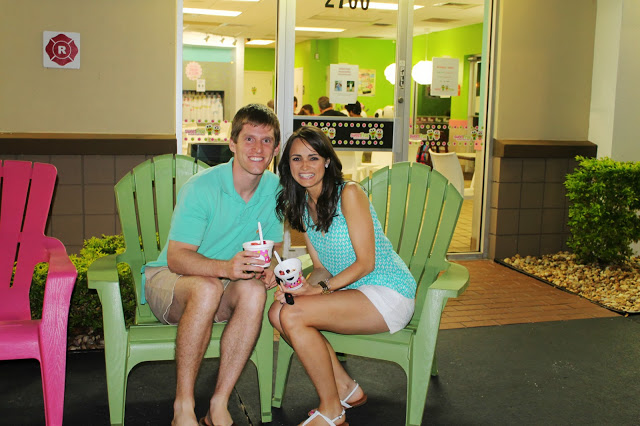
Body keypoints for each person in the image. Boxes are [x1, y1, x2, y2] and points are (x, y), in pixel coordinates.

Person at [143, 103, 283, 426]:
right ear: (232, 143)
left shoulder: (274, 190)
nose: (258, 149)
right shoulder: (202, 188)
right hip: (170, 280)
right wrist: (225, 269)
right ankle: (183, 406)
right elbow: (177, 257)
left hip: (222, 286)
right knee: (206, 289)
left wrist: (271, 269)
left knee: (253, 292)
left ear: (276, 149)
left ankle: (219, 404)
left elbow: (274, 246)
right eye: (249, 139)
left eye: (266, 140)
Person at [269, 126, 417, 426]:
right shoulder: (304, 205)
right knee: (277, 312)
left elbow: (366, 263)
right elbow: (321, 267)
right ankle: (347, 389)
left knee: (293, 315)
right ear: (288, 166)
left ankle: (332, 411)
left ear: (327, 161)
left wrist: (319, 290)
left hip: (387, 292)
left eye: (313, 157)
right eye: (296, 159)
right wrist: (298, 288)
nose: (305, 165)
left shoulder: (349, 193)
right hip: (351, 293)